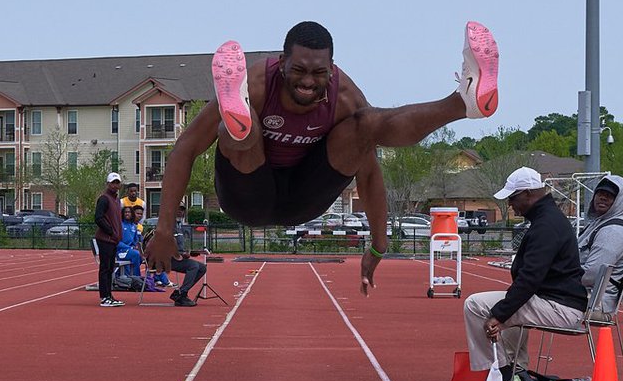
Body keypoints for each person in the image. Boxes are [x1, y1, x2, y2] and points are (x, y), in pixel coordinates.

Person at [146, 20, 500, 295]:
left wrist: (378, 246)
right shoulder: (257, 82)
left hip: (305, 196)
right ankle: (239, 123)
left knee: (366, 124)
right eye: (298, 70)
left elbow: (370, 176)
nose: (308, 82)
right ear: (281, 63)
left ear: (332, 68)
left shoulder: (343, 96)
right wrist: (164, 230)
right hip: (248, 193)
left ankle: (463, 102)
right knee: (234, 130)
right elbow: (185, 148)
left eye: (319, 73)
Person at [462, 167, 587, 381]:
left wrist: (498, 315)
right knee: (506, 304)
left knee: (476, 305)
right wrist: (503, 310)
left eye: (513, 197)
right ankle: (517, 376)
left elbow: (530, 278)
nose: (511, 204)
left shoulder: (546, 225)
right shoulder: (547, 219)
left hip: (562, 308)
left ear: (529, 194)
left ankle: (506, 378)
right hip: (559, 301)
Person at [578, 175, 623, 310]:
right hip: (583, 293)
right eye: (600, 193)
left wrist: (558, 279)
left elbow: (592, 275)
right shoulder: (600, 222)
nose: (603, 198)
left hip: (597, 302)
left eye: (609, 196)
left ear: (619, 201)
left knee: (523, 304)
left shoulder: (613, 231)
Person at [94, 172, 126, 307]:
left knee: (110, 268)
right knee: (105, 268)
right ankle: (104, 297)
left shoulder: (117, 200)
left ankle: (109, 295)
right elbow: (98, 217)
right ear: (108, 184)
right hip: (105, 239)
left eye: (117, 183)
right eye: (113, 183)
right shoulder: (104, 199)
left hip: (113, 240)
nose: (115, 185)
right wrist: (111, 231)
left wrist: (117, 234)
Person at [166, 228, 206, 307]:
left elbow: (180, 248)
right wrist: (181, 254)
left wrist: (190, 252)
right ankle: (182, 294)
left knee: (202, 268)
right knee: (193, 266)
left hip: (176, 259)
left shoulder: (179, 227)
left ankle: (180, 292)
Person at [117, 206, 143, 277]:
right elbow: (117, 242)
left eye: (129, 212)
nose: (127, 214)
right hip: (121, 251)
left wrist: (137, 246)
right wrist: (129, 248)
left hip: (130, 250)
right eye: (126, 212)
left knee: (142, 255)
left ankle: (129, 275)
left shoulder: (134, 226)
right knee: (136, 254)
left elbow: (135, 241)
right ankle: (136, 277)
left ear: (132, 214)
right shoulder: (119, 225)